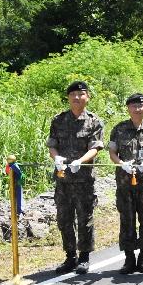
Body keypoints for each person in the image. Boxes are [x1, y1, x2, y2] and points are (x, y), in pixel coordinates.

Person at [47, 81, 104, 274]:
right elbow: (52, 145)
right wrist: (57, 158)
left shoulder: (94, 121)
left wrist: (81, 160)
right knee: (64, 218)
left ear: (87, 97)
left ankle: (84, 257)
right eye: (73, 95)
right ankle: (70, 256)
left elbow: (95, 147)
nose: (77, 98)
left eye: (81, 94)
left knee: (84, 218)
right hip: (63, 179)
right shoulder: (58, 120)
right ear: (68, 98)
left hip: (84, 179)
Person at [108, 93, 143, 275]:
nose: (137, 109)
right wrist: (121, 164)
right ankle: (129, 259)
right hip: (125, 184)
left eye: (140, 105)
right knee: (127, 221)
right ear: (128, 108)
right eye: (133, 106)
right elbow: (112, 153)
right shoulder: (119, 129)